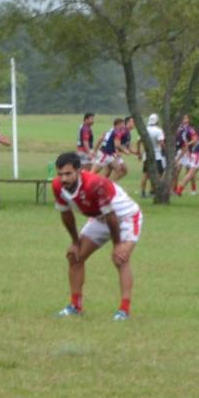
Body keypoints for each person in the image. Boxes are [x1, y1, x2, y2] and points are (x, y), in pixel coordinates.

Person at [52, 152, 143, 321]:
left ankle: (124, 310)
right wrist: (75, 242)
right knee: (75, 256)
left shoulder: (95, 184)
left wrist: (117, 245)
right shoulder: (58, 186)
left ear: (79, 170)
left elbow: (112, 217)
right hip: (101, 218)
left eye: (68, 174)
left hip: (125, 218)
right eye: (60, 174)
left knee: (120, 259)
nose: (63, 179)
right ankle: (75, 306)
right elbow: (66, 215)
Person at [171, 113, 197, 195]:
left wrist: (188, 144)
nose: (183, 120)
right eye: (182, 118)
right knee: (176, 171)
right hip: (179, 151)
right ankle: (174, 190)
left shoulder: (190, 129)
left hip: (187, 152)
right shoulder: (178, 129)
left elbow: (195, 139)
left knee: (190, 172)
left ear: (188, 119)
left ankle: (193, 189)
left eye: (185, 118)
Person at [141, 114, 166, 195]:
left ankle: (143, 192)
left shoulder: (145, 129)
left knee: (146, 174)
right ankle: (155, 190)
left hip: (146, 154)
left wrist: (139, 151)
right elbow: (161, 143)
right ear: (157, 121)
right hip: (157, 155)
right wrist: (165, 150)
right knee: (159, 173)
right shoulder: (158, 130)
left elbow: (139, 141)